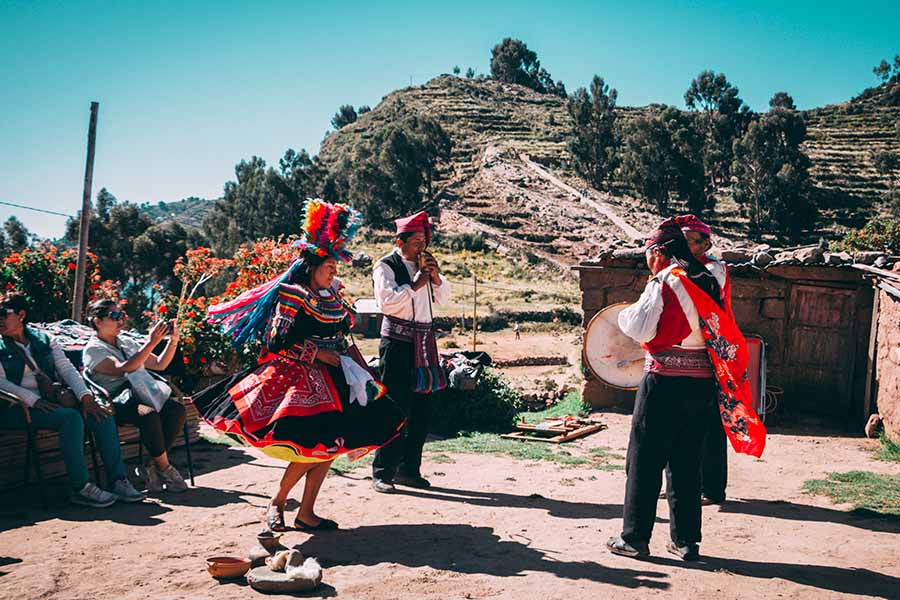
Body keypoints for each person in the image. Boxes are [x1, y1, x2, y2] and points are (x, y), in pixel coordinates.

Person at [194, 199, 405, 532]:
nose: (335, 273)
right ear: (312, 267)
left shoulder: (332, 294)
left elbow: (341, 330)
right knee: (312, 449)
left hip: (338, 377)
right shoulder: (294, 295)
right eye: (330, 268)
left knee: (329, 448)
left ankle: (306, 512)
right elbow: (277, 343)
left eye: (336, 269)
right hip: (302, 379)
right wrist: (317, 355)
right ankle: (278, 502)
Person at [606, 219, 765, 561]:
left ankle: (634, 538)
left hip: (663, 381)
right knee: (687, 460)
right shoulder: (717, 275)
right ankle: (686, 541)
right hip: (703, 381)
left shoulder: (666, 281)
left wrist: (652, 279)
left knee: (645, 460)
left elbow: (639, 327)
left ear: (661, 251)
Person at [0, 293, 145, 507]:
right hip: (16, 408)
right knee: (70, 419)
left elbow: (67, 369)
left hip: (50, 401)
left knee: (101, 415)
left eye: (4, 314)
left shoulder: (44, 339)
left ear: (21, 314)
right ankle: (81, 487)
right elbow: (2, 383)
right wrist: (33, 400)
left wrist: (85, 397)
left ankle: (118, 480)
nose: (0, 319)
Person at [371, 211, 451, 493]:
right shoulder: (385, 266)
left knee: (421, 409)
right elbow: (388, 303)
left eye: (423, 241)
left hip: (425, 343)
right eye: (416, 242)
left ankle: (410, 469)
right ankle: (383, 471)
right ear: (400, 241)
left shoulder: (424, 267)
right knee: (395, 406)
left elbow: (443, 299)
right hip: (398, 344)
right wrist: (415, 283)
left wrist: (435, 277)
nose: (421, 247)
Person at [82, 300, 188, 493]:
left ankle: (151, 465)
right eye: (114, 316)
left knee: (177, 410)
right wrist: (151, 342)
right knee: (148, 415)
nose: (120, 320)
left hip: (144, 392)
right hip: (120, 399)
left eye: (121, 315)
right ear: (97, 321)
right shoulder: (93, 349)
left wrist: (172, 341)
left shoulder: (126, 342)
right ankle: (164, 467)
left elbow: (160, 364)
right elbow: (124, 368)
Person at [675, 214, 731, 505]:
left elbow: (697, 281)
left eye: (688, 242)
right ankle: (681, 483)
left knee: (710, 425)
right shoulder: (681, 269)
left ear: (706, 243)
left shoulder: (714, 269)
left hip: (711, 356)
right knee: (680, 424)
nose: (683, 248)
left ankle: (712, 489)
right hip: (683, 355)